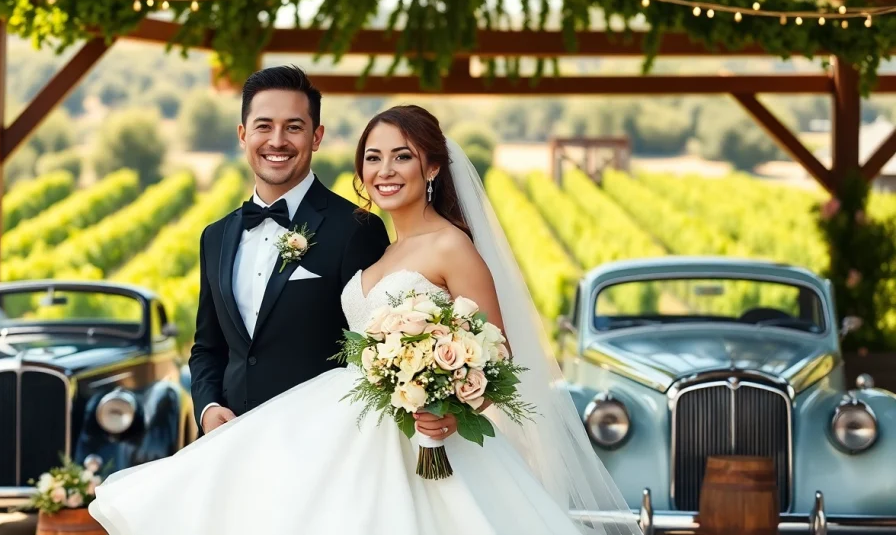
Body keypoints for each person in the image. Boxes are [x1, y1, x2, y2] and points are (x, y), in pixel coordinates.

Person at [89, 104, 643, 535]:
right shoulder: (377, 253)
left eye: (401, 156)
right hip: (355, 431)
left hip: (427, 443)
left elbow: (498, 359)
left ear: (431, 166)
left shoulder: (453, 249)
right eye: (373, 158)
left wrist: (450, 406)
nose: (384, 170)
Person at [187, 65, 390, 435]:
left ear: (316, 136)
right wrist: (208, 407)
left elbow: (376, 353)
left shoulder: (357, 230)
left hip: (323, 446)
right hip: (230, 446)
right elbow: (207, 347)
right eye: (264, 126)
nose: (277, 141)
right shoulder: (214, 237)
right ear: (243, 134)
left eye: (293, 127)